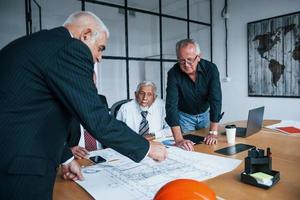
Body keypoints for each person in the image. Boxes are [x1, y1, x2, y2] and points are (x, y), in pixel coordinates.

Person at [0, 11, 167, 200]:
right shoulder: (70, 47)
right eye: (100, 48)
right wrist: (147, 147)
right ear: (86, 35)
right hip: (18, 168)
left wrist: (66, 158)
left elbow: (33, 116)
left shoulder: (40, 44)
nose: (99, 57)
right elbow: (97, 119)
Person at [165, 39, 222, 151]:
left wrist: (213, 132)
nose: (186, 65)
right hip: (185, 117)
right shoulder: (173, 73)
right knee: (188, 150)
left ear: (198, 56)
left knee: (209, 147)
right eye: (181, 61)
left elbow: (216, 99)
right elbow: (171, 105)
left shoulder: (211, 69)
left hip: (205, 114)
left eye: (190, 60)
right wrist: (179, 139)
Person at [67, 94, 108, 159]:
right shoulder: (64, 105)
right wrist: (67, 152)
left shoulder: (101, 101)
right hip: (77, 159)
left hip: (104, 156)